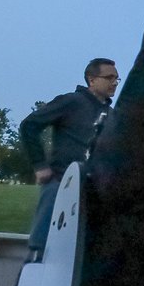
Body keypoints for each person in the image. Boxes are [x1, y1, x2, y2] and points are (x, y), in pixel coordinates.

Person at [19, 57, 118, 258]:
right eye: (109, 77)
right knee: (43, 243)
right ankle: (33, 266)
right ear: (92, 79)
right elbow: (29, 126)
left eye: (117, 78)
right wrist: (40, 165)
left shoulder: (113, 115)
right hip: (61, 180)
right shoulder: (72, 102)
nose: (114, 82)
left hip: (94, 189)